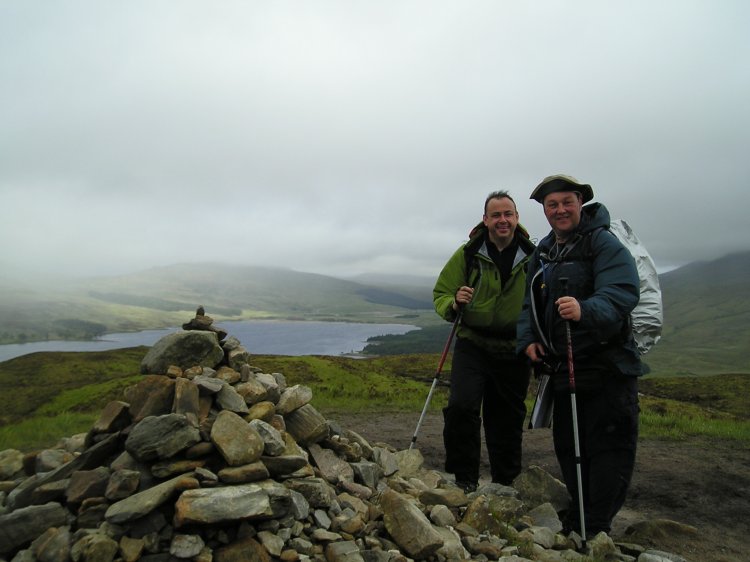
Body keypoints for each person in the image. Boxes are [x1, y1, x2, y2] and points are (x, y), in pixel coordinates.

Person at [516, 174, 642, 536]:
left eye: (566, 202)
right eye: (551, 205)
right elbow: (529, 305)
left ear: (580, 203)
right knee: (570, 447)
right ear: (544, 209)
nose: (559, 210)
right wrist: (528, 339)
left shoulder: (603, 243)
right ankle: (580, 515)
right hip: (563, 368)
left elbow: (622, 289)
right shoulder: (543, 251)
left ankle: (596, 525)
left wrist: (585, 309)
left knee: (609, 448)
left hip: (607, 368)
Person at [433, 190, 535, 492]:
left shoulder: (534, 256)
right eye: (496, 215)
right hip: (473, 344)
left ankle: (505, 482)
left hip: (514, 349)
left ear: (516, 218)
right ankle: (464, 480)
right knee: (462, 408)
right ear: (485, 220)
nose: (502, 220)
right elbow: (441, 294)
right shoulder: (468, 253)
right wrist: (454, 302)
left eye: (508, 214)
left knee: (506, 417)